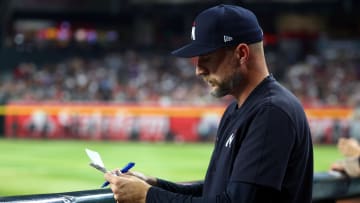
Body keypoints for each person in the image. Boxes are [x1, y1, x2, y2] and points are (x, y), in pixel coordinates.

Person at [104, 4, 314, 203]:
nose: (199, 70)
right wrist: (154, 185)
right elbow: (217, 190)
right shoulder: (237, 109)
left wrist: (148, 197)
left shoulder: (271, 112)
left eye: (207, 58)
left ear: (241, 54)